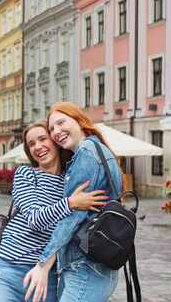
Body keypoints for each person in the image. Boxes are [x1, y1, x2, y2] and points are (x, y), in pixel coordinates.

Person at [0, 121, 108, 302]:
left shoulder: (71, 181)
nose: (38, 147)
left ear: (55, 142)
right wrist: (71, 202)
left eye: (42, 139)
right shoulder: (25, 174)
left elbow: (71, 228)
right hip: (7, 271)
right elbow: (35, 218)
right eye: (31, 144)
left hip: (43, 276)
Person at [24, 102, 123, 302]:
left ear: (79, 121)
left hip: (85, 267)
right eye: (52, 128)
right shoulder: (98, 149)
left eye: (61, 123)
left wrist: (43, 265)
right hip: (94, 265)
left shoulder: (86, 152)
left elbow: (71, 218)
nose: (56, 132)